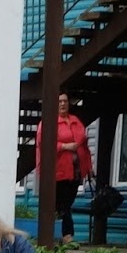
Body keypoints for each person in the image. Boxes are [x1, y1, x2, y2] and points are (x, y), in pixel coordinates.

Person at [34, 93, 94, 243]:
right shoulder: (48, 122)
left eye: (65, 101)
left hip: (75, 171)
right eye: (59, 101)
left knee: (66, 203)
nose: (62, 104)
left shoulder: (75, 121)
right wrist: (64, 146)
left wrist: (89, 167)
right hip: (58, 171)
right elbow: (44, 144)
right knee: (63, 204)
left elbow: (84, 147)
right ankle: (67, 235)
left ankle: (57, 234)